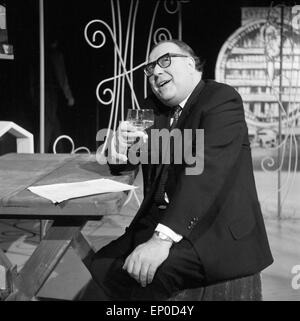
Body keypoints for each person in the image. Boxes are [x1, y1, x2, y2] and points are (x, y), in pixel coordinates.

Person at [85, 39, 273, 301]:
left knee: (147, 276)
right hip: (158, 220)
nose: (155, 72)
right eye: (150, 69)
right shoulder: (151, 108)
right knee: (100, 263)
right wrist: (118, 146)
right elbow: (125, 162)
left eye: (164, 61)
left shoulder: (221, 99)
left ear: (190, 63)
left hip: (213, 229)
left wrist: (161, 241)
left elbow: (206, 174)